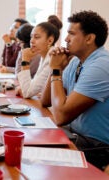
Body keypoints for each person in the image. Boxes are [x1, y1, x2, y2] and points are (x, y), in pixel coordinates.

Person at [41, 10, 109, 171]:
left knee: (39, 163)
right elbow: (45, 101)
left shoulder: (101, 66)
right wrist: (54, 68)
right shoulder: (76, 62)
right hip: (75, 136)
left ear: (89, 38)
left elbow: (61, 116)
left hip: (97, 147)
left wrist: (57, 69)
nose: (65, 39)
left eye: (71, 33)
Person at [17, 16, 62, 98]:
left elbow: (27, 93)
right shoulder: (43, 56)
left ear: (50, 40)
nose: (31, 41)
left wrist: (25, 61)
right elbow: (31, 88)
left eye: (36, 37)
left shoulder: (53, 58)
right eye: (31, 37)